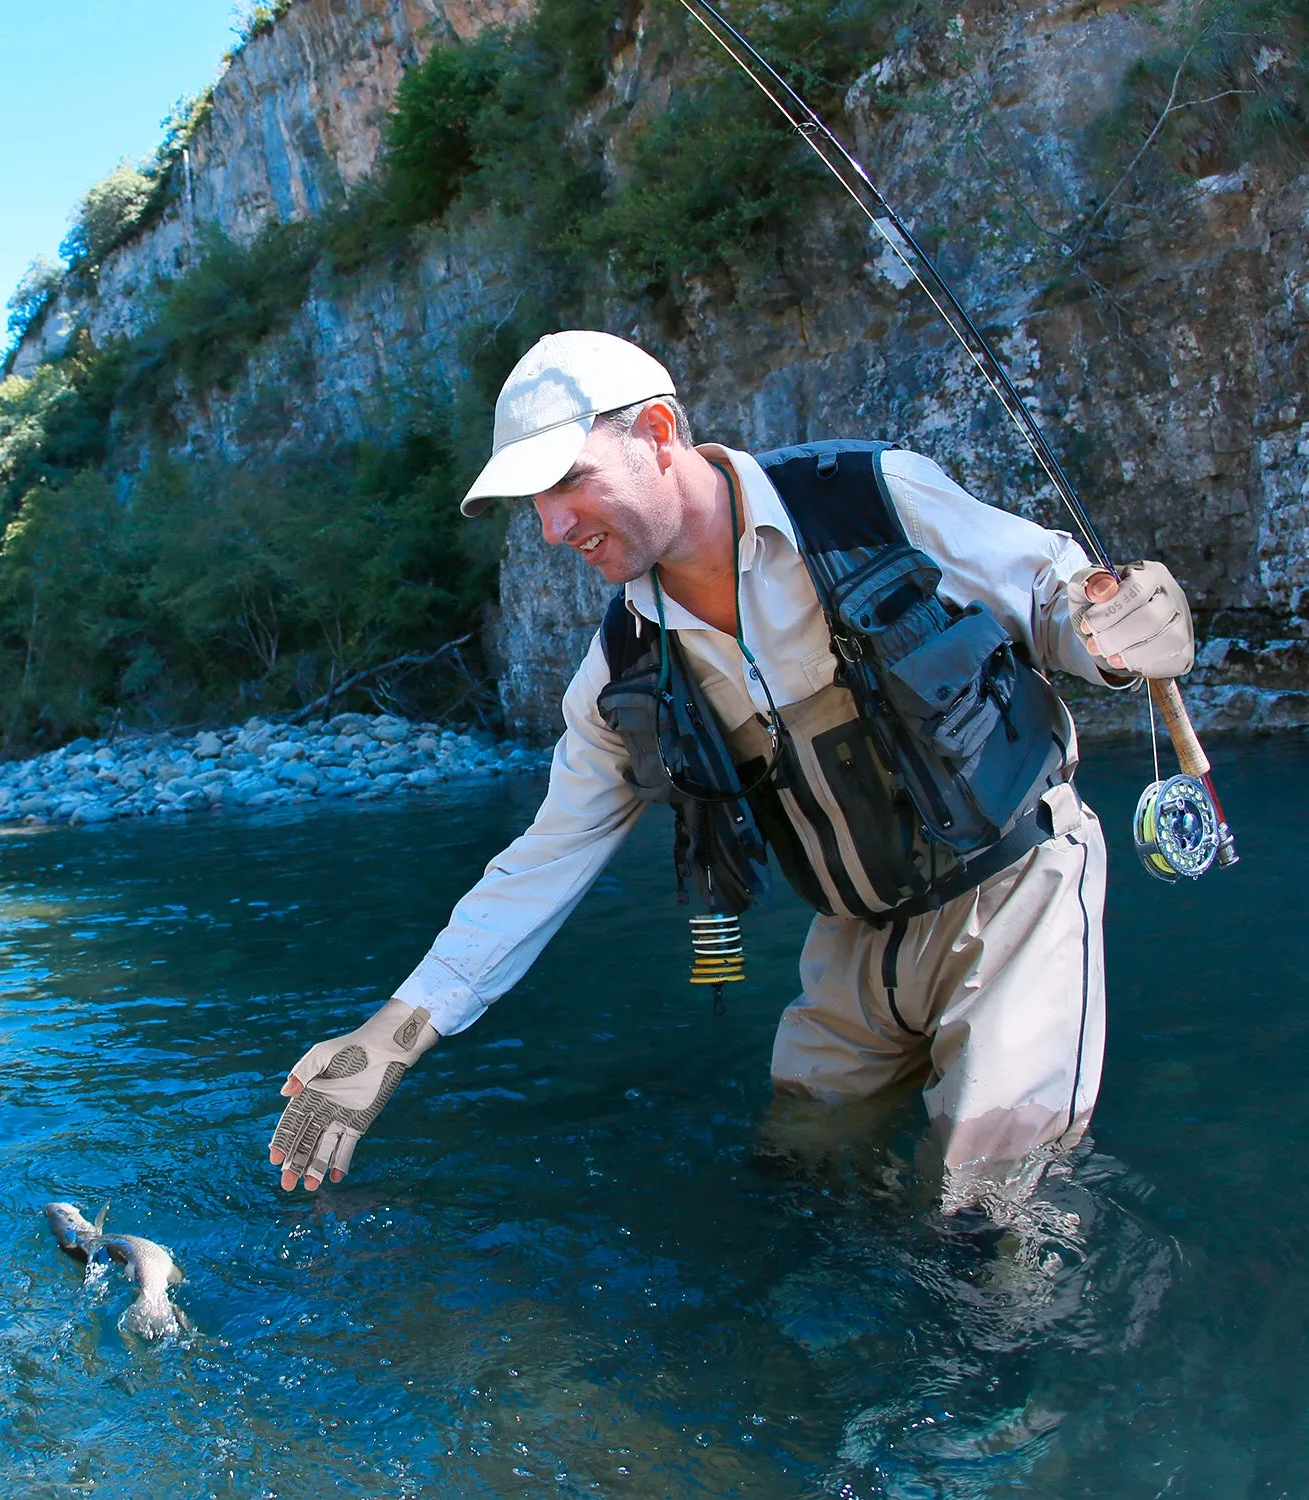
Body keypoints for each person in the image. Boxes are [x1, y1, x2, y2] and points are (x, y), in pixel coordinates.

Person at [268, 330, 1194, 1200]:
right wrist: (396, 1033)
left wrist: (1113, 632)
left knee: (986, 1215)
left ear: (659, 434)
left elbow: (1049, 597)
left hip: (1017, 888)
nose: (551, 526)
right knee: (794, 1182)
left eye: (568, 483)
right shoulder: (618, 673)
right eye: (534, 503)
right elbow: (542, 861)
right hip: (853, 937)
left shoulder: (874, 498)